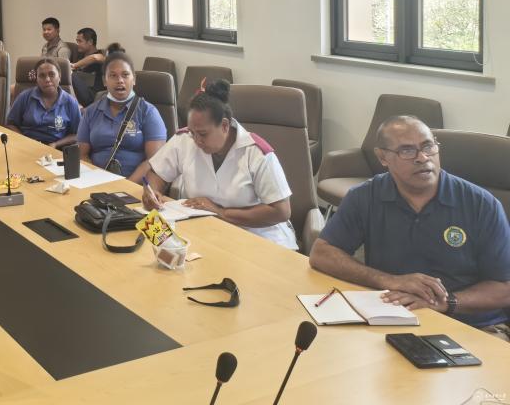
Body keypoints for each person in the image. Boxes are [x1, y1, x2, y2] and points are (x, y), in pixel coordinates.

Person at [310, 116, 510, 337]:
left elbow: (505, 288)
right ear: (383, 157)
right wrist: (388, 281)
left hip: (473, 327)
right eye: (407, 150)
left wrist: (446, 302)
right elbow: (322, 253)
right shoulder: (365, 196)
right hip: (393, 319)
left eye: (428, 146)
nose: (423, 158)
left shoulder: (481, 204)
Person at [140, 79, 298, 250]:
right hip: (209, 233)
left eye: (203, 134)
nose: (196, 140)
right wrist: (153, 192)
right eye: (192, 132)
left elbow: (281, 211)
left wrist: (220, 212)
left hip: (259, 239)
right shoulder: (185, 139)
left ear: (224, 125)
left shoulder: (256, 153)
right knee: (155, 240)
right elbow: (157, 174)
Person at [77, 52, 167, 182]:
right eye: (113, 75)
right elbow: (82, 155)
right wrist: (94, 179)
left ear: (134, 79)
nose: (120, 80)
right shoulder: (91, 111)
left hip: (135, 186)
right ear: (104, 81)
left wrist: (125, 186)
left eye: (125, 75)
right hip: (94, 182)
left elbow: (154, 161)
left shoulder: (148, 112)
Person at [6, 58, 81, 149]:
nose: (47, 79)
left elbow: (77, 134)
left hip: (56, 150)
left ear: (59, 77)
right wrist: (24, 141)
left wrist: (56, 144)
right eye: (42, 76)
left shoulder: (70, 102)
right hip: (25, 146)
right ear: (36, 79)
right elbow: (11, 124)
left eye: (52, 74)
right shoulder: (25, 97)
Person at [70, 29, 122, 107]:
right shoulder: (80, 55)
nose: (78, 44)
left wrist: (74, 65)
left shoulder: (101, 55)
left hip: (94, 96)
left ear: (90, 42)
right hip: (78, 93)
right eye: (77, 41)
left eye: (80, 41)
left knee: (70, 75)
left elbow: (95, 58)